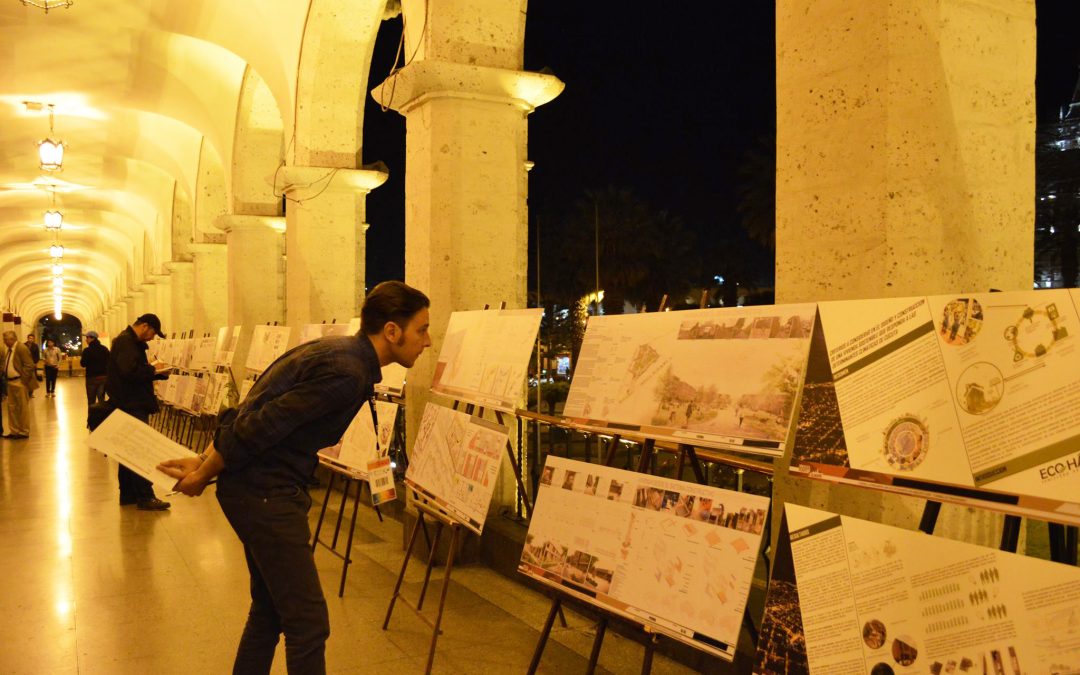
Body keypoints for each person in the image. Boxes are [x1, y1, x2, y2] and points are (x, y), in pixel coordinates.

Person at [159, 281, 432, 674]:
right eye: (421, 329)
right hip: (266, 496)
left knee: (269, 610)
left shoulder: (337, 352)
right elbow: (261, 424)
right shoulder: (347, 373)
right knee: (308, 623)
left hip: (256, 490)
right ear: (392, 331)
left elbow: (257, 409)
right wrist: (204, 471)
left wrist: (206, 458)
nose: (427, 341)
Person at [107, 313, 172, 511]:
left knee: (128, 451)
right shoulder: (127, 342)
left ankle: (128, 494)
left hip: (128, 402)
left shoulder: (126, 340)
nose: (152, 338)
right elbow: (129, 372)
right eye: (153, 332)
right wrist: (154, 371)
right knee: (138, 451)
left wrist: (157, 375)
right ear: (144, 326)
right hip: (132, 404)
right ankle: (145, 496)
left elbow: (132, 371)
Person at [1, 330, 39, 438]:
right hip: (10, 381)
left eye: (5, 339)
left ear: (12, 339)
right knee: (12, 407)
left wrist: (23, 380)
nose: (4, 341)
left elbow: (29, 365)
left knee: (22, 408)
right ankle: (14, 431)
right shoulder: (9, 349)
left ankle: (23, 431)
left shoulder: (21, 348)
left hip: (19, 381)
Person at [80, 331, 109, 405]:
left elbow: (83, 364)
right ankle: (102, 416)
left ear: (92, 338)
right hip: (103, 377)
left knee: (91, 401)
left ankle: (92, 416)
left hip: (91, 378)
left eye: (87, 337)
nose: (86, 340)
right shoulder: (104, 349)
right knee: (101, 400)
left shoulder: (87, 351)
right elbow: (109, 362)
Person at [24, 333, 40, 398]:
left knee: (32, 379)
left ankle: (31, 393)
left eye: (32, 338)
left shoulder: (35, 346)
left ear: (34, 339)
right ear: (27, 338)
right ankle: (26, 392)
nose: (31, 339)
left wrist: (35, 363)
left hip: (33, 364)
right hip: (25, 365)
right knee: (26, 378)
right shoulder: (24, 345)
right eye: (29, 338)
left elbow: (37, 356)